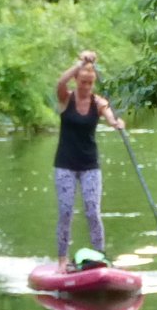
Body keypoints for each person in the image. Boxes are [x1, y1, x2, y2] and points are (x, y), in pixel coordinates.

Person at [54, 50, 126, 263]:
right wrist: (80, 64)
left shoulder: (98, 102)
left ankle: (100, 257)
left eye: (90, 82)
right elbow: (60, 82)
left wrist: (115, 123)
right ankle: (62, 258)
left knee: (93, 212)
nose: (86, 87)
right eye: (83, 82)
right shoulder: (66, 98)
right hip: (65, 164)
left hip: (89, 165)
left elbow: (110, 116)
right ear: (77, 80)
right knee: (66, 212)